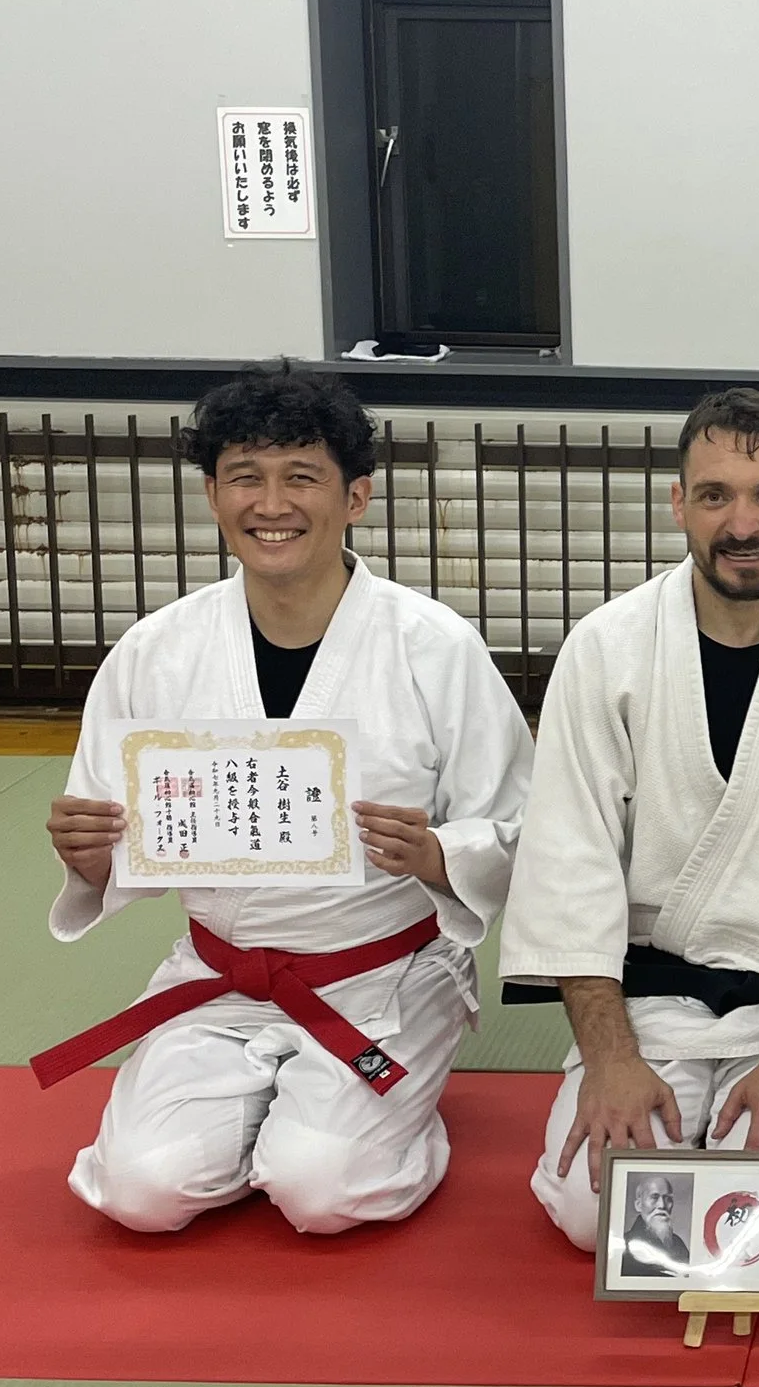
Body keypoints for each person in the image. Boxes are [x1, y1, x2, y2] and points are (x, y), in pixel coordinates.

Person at [34, 363, 532, 1234]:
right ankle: (279, 1114)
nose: (272, 504)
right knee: (142, 1191)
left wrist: (438, 854)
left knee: (321, 1190)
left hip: (383, 976)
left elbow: (519, 822)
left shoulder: (435, 647)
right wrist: (88, 856)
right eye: (245, 477)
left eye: (302, 476)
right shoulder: (156, 651)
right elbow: (117, 833)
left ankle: (394, 1114)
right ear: (211, 494)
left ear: (356, 495)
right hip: (217, 978)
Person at [503, 388, 759, 1251]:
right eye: (715, 495)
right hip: (647, 1006)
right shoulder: (607, 647)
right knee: (598, 1217)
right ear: (678, 503)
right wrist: (611, 1059)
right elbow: (570, 862)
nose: (742, 523)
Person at [619, 1174, 689, 1277]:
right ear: (638, 1205)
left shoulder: (679, 1244)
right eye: (654, 1197)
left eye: (668, 1198)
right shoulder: (623, 1246)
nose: (662, 1205)